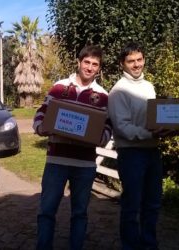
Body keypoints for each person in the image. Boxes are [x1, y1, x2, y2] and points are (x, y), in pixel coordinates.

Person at [33, 45, 112, 250]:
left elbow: (108, 127)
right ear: (79, 62)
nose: (89, 67)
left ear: (99, 69)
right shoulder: (59, 87)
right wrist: (41, 127)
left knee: (79, 214)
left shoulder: (103, 95)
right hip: (56, 161)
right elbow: (42, 113)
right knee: (47, 211)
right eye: (86, 62)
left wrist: (100, 138)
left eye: (95, 64)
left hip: (84, 164)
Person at [108, 42, 174, 250]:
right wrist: (152, 133)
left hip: (152, 151)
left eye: (139, 59)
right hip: (131, 154)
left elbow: (154, 118)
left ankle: (149, 244)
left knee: (152, 204)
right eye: (131, 61)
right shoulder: (118, 91)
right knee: (132, 206)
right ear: (122, 64)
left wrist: (170, 125)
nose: (136, 65)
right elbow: (122, 127)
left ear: (144, 59)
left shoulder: (149, 86)